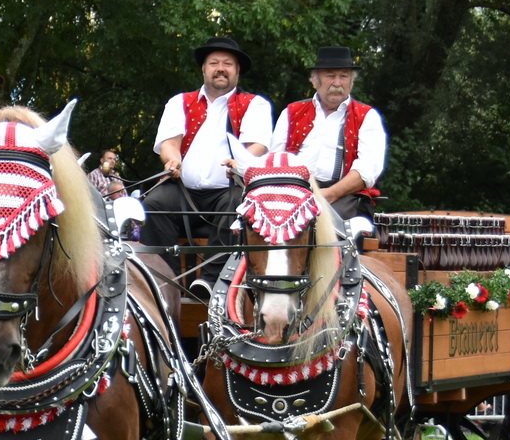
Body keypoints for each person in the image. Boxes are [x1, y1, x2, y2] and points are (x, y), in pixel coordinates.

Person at [148, 36, 274, 298]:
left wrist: (241, 162)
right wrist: (173, 160)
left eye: (228, 63)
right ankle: (166, 282)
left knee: (236, 205)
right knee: (153, 204)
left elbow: (258, 146)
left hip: (227, 190)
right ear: (203, 69)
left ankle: (210, 281)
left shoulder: (255, 104)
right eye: (214, 62)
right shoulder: (180, 102)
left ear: (237, 71)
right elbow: (170, 143)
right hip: (183, 190)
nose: (220, 68)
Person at [270, 45, 386, 236]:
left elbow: (367, 171)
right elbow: (275, 161)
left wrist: (328, 195)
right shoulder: (291, 112)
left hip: (345, 198)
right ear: (315, 81)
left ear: (351, 82)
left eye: (344, 76)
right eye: (330, 75)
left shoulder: (367, 116)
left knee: (323, 226)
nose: (337, 82)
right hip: (294, 195)